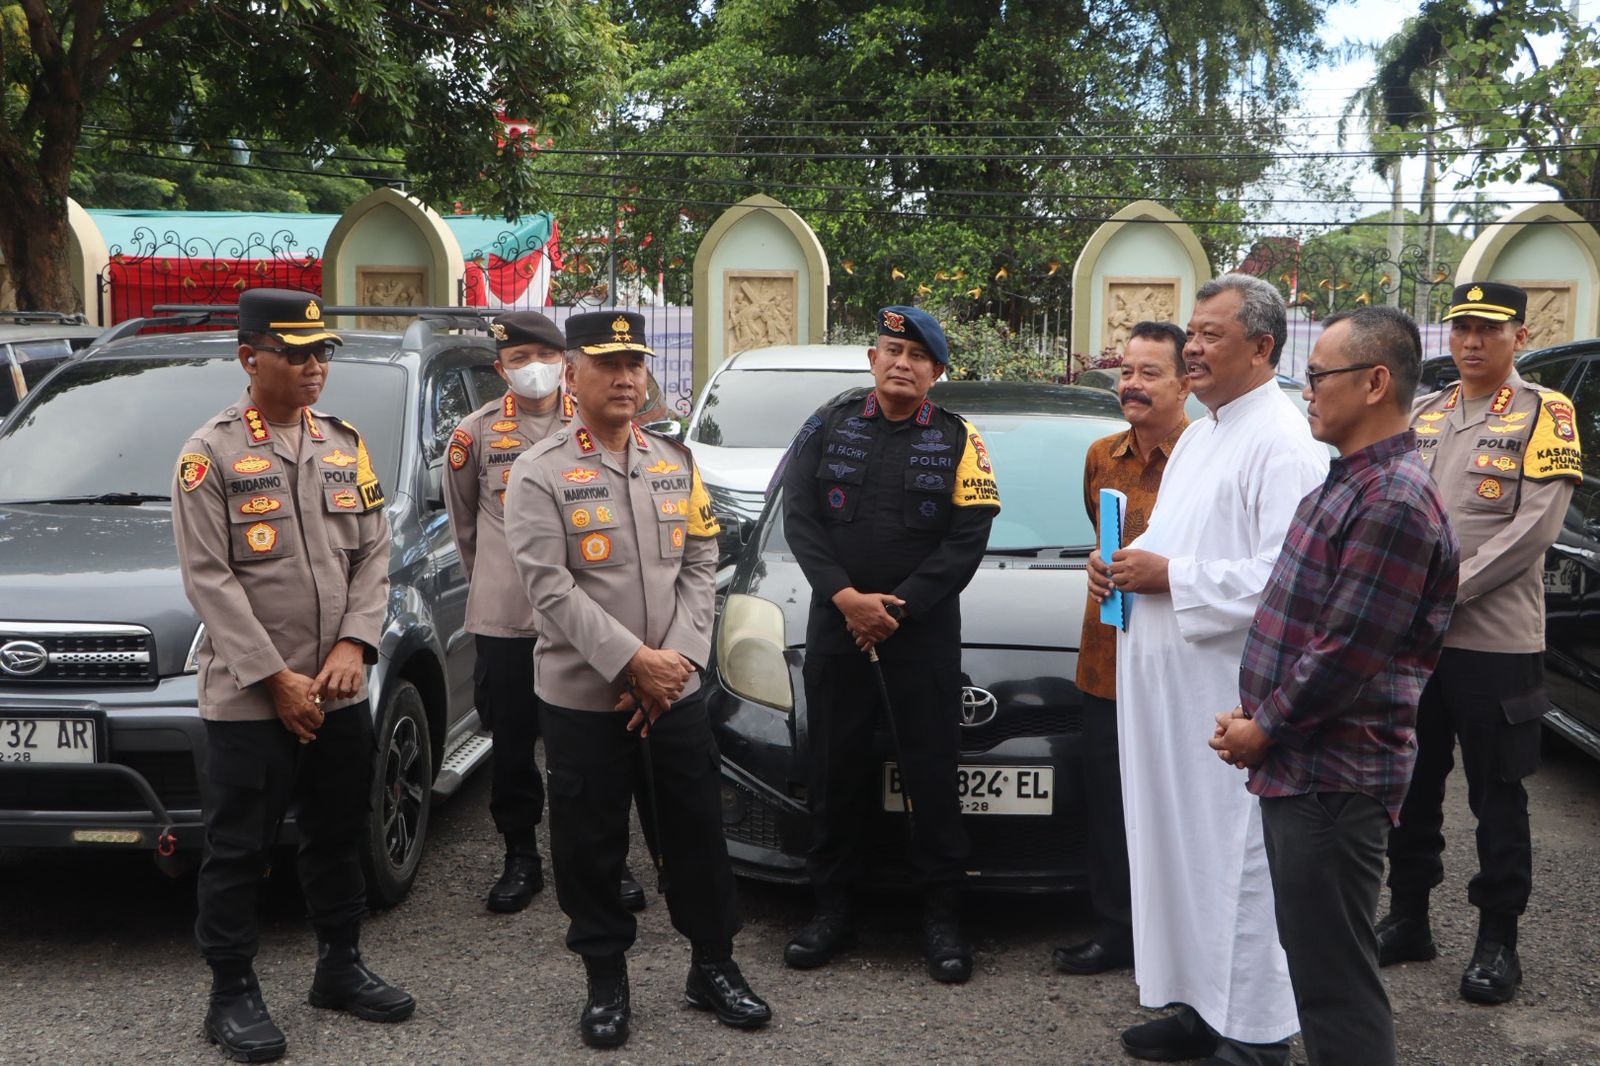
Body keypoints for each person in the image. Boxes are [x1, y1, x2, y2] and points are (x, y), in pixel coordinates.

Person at [503, 311, 770, 1049]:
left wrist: (675, 662)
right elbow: (548, 588)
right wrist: (631, 663)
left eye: (635, 364)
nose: (626, 378)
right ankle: (605, 982)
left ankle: (711, 965)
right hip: (587, 698)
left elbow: (701, 562)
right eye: (608, 364)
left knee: (695, 832)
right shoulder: (539, 471)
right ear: (573, 375)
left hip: (673, 693)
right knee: (589, 844)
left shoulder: (672, 462)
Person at [1210, 306, 1460, 1066]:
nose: (1306, 391)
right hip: (1305, 767)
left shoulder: (1391, 500)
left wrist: (1265, 726)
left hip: (1332, 776)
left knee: (1334, 984)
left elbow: (1347, 650)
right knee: (1321, 970)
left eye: (1318, 376)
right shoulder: (1347, 480)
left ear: (1375, 381)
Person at [1091, 274, 1328, 1065]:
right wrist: (1119, 567)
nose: (1191, 347)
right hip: (1165, 688)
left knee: (1238, 856)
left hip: (1228, 692)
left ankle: (1257, 1032)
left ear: (1261, 347)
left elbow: (1287, 577)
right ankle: (1198, 1003)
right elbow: (1180, 544)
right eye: (1190, 332)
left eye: (1211, 334)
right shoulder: (1201, 435)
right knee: (1174, 845)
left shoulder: (1285, 441)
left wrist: (1172, 579)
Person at [172, 289, 413, 1063]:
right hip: (249, 697)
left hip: (339, 688)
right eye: (297, 352)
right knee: (239, 846)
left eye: (322, 353)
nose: (315, 366)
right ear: (250, 357)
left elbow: (375, 553)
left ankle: (339, 966)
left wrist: (355, 646)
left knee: (338, 832)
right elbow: (210, 579)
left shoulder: (345, 444)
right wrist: (276, 679)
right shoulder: (207, 454)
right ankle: (232, 994)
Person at [781, 306, 1002, 983]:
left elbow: (968, 539)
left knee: (932, 774)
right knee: (835, 768)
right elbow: (799, 515)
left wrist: (895, 611)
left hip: (921, 634)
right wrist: (846, 599)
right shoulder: (828, 424)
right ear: (872, 359)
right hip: (836, 624)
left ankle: (940, 920)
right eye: (889, 350)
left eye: (916, 356)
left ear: (936, 371)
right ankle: (833, 912)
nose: (901, 363)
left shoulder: (963, 437)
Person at [1379, 282, 1584, 1004]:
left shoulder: (1545, 413)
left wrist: (1442, 591)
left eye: (1488, 330)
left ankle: (1499, 939)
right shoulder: (1429, 413)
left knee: (1498, 792)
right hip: (1417, 642)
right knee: (1410, 783)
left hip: (1494, 641)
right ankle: (1409, 916)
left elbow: (1534, 531)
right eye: (1462, 328)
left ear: (1518, 336)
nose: (1471, 341)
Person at [443, 310, 646, 914]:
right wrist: (501, 584)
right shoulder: (473, 434)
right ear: (499, 367)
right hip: (507, 617)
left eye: (545, 355)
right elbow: (467, 530)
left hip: (588, 616)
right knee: (512, 743)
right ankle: (520, 856)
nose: (534, 368)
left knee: (596, 743)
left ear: (568, 362)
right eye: (519, 358)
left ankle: (607, 859)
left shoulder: (596, 422)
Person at [1052, 320, 1189, 977]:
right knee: (1108, 804)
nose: (1131, 385)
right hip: (1106, 662)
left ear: (1187, 381)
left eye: (1148, 373)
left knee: (1175, 809)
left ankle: (1181, 940)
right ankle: (1114, 932)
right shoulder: (1101, 456)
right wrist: (1097, 563)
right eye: (1125, 372)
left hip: (1179, 669)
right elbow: (1102, 536)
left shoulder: (1205, 457)